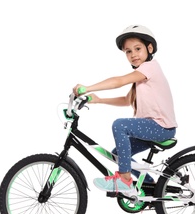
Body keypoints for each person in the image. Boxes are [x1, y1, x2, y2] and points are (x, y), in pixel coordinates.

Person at [73, 25, 178, 193]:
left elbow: (119, 81)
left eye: (137, 48)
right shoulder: (141, 78)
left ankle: (124, 179)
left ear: (149, 48)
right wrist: (99, 100)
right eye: (128, 52)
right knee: (118, 154)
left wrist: (88, 87)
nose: (133, 54)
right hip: (154, 128)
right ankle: (148, 186)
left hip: (161, 127)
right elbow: (127, 100)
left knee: (120, 125)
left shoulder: (150, 67)